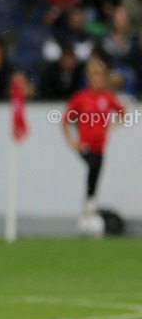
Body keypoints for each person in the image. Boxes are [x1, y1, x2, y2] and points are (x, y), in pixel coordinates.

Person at [62, 56, 125, 235]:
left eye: (99, 76)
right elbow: (66, 120)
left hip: (100, 146)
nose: (96, 80)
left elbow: (122, 112)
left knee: (95, 174)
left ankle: (89, 209)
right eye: (93, 76)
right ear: (89, 78)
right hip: (85, 146)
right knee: (93, 167)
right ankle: (89, 205)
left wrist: (110, 128)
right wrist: (71, 141)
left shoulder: (107, 97)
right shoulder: (81, 98)